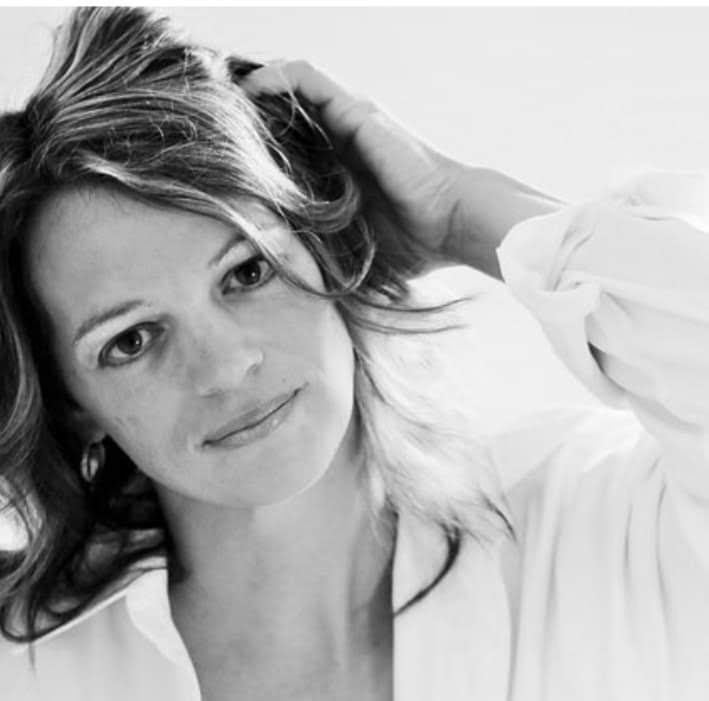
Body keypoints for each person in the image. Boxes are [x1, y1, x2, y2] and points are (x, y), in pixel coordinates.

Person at [1, 6, 707, 701]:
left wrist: (460, 214)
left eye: (247, 272)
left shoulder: (591, 529)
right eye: (130, 340)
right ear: (70, 401)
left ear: (326, 249)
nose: (225, 367)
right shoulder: (27, 669)